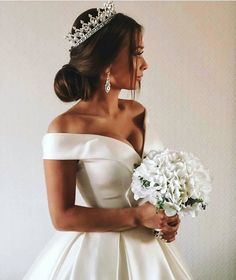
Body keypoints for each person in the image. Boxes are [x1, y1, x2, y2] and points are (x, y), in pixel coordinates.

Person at [23, 1, 193, 279]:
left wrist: (167, 215)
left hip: (152, 255)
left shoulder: (140, 112)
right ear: (107, 63)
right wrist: (138, 217)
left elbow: (154, 185)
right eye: (136, 53)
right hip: (95, 257)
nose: (145, 64)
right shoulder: (64, 128)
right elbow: (62, 216)